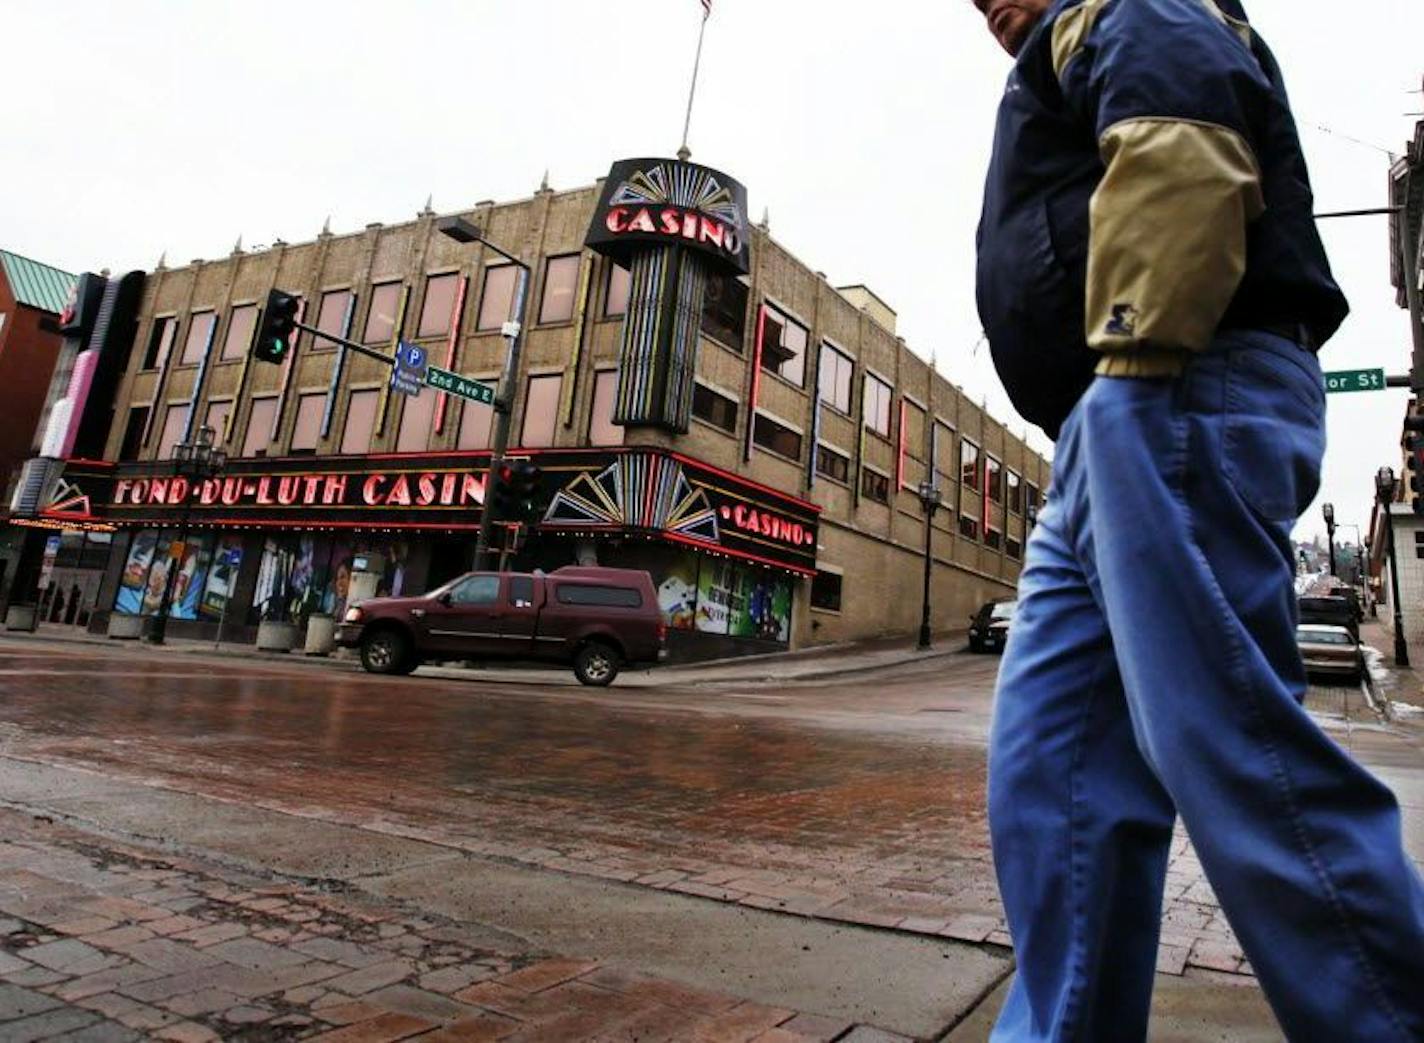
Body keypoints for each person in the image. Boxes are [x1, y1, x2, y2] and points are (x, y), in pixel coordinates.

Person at [969, 0, 1424, 1039]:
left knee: (1233, 753)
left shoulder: (1126, 5)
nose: (983, 5)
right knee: (1052, 783)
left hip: (1168, 371)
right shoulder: (1065, 44)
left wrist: (1136, 363)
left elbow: (1182, 145)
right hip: (1104, 417)